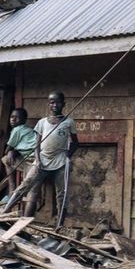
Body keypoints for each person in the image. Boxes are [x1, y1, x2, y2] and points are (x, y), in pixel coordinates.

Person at [24, 92, 77, 226]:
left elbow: (76, 142)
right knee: (29, 188)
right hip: (42, 161)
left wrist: (67, 156)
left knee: (61, 194)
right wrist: (37, 159)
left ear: (63, 104)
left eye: (57, 102)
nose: (54, 105)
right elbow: (36, 143)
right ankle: (23, 222)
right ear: (48, 104)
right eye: (52, 102)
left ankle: (59, 225)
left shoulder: (68, 122)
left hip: (59, 163)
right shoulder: (42, 122)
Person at [1, 107, 37, 205]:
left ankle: (11, 190)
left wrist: (11, 151)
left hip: (32, 160)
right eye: (12, 117)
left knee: (5, 159)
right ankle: (12, 193)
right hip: (33, 158)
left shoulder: (17, 129)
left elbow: (7, 150)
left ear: (24, 120)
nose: (13, 119)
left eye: (17, 117)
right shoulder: (28, 129)